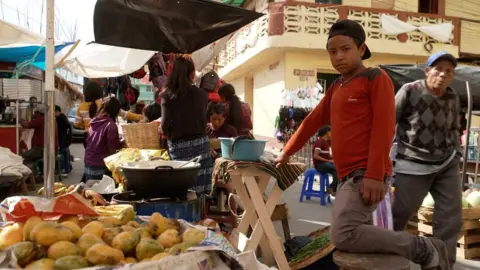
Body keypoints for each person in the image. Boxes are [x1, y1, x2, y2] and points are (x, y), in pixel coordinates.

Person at [274, 19, 449, 269]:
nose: (338, 57)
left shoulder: (375, 78)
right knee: (357, 235)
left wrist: (375, 174)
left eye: (345, 49)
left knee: (342, 234)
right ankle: (417, 253)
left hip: (364, 173)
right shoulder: (336, 87)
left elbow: (384, 128)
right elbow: (311, 122)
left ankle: (423, 248)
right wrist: (286, 152)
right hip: (347, 175)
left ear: (361, 49)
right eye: (332, 51)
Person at [393, 51, 461, 268]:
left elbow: (454, 128)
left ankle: (441, 265)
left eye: (448, 71)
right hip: (412, 161)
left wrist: (457, 153)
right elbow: (388, 121)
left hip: (446, 163)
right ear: (427, 71)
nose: (442, 74)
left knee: (451, 218)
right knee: (400, 214)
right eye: (438, 69)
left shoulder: (452, 97)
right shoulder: (410, 90)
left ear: (452, 76)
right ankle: (389, 258)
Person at [160, 57, 213, 194]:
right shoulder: (202, 94)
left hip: (179, 148)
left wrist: (161, 129)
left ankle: (182, 214)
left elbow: (164, 126)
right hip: (201, 146)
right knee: (201, 190)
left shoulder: (167, 95)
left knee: (182, 187)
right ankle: (202, 213)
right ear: (192, 74)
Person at [75, 82, 142, 148]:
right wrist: (140, 117)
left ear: (86, 93)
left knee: (90, 154)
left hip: (87, 136)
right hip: (102, 135)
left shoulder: (81, 106)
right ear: (100, 93)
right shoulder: (105, 103)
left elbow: (77, 124)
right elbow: (124, 114)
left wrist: (86, 124)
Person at [84, 97, 122, 181]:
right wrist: (121, 144)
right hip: (100, 168)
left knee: (91, 193)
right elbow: (113, 149)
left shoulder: (94, 121)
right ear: (115, 111)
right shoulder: (110, 125)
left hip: (87, 166)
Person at [312, 125, 339, 195]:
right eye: (331, 132)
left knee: (338, 170)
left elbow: (327, 156)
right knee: (336, 168)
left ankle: (332, 188)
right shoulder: (320, 141)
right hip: (320, 165)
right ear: (327, 132)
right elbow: (315, 156)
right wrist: (329, 161)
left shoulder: (326, 142)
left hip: (325, 164)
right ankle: (332, 188)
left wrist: (335, 158)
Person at [55, 105, 72, 174]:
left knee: (63, 155)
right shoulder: (63, 117)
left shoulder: (60, 119)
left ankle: (65, 169)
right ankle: (68, 168)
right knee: (65, 155)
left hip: (63, 140)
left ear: (57, 111)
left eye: (54, 112)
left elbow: (61, 131)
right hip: (65, 140)